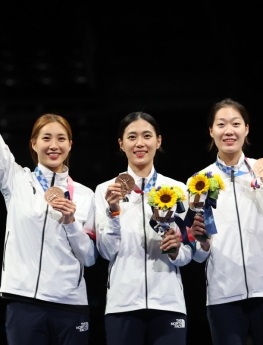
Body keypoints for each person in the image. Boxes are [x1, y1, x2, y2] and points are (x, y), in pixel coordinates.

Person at [0, 46, 97, 345]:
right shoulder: (15, 180)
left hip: (72, 306)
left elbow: (89, 258)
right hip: (24, 303)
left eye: (61, 138)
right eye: (46, 138)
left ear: (70, 144)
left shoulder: (87, 196)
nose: (54, 145)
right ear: (33, 143)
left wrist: (70, 221)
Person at [191, 99, 263, 345]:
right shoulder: (198, 181)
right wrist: (202, 243)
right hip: (223, 295)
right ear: (211, 131)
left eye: (236, 123)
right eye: (221, 124)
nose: (229, 130)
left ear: (246, 129)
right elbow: (198, 255)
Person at [95, 112, 193, 345]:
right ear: (121, 144)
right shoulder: (104, 191)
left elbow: (190, 253)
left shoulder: (177, 190)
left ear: (158, 141)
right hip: (122, 305)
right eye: (132, 137)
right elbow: (106, 252)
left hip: (169, 303)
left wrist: (176, 251)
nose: (140, 143)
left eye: (147, 136)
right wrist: (113, 212)